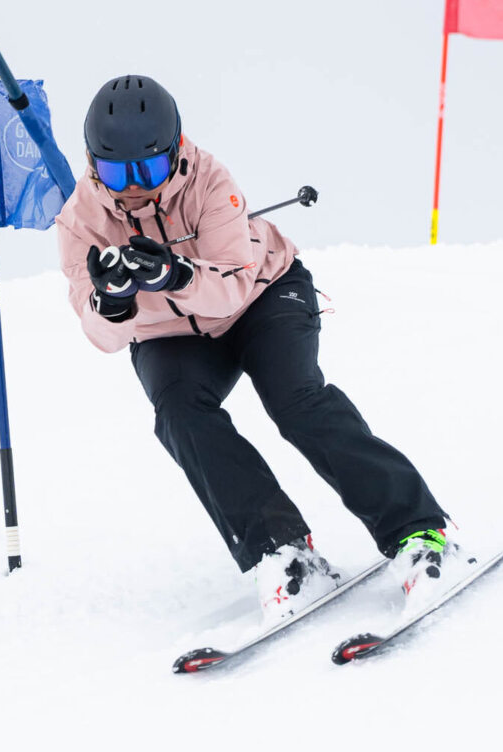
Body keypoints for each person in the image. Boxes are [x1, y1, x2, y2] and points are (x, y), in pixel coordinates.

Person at [53, 74, 457, 625]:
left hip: (264, 296)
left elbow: (232, 290)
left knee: (295, 401)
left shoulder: (210, 182)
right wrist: (115, 303)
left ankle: (418, 530)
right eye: (117, 171)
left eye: (146, 170)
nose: (132, 187)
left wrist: (171, 273)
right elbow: (98, 333)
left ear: (175, 151)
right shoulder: (80, 221)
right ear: (92, 161)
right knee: (179, 414)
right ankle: (283, 551)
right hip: (169, 334)